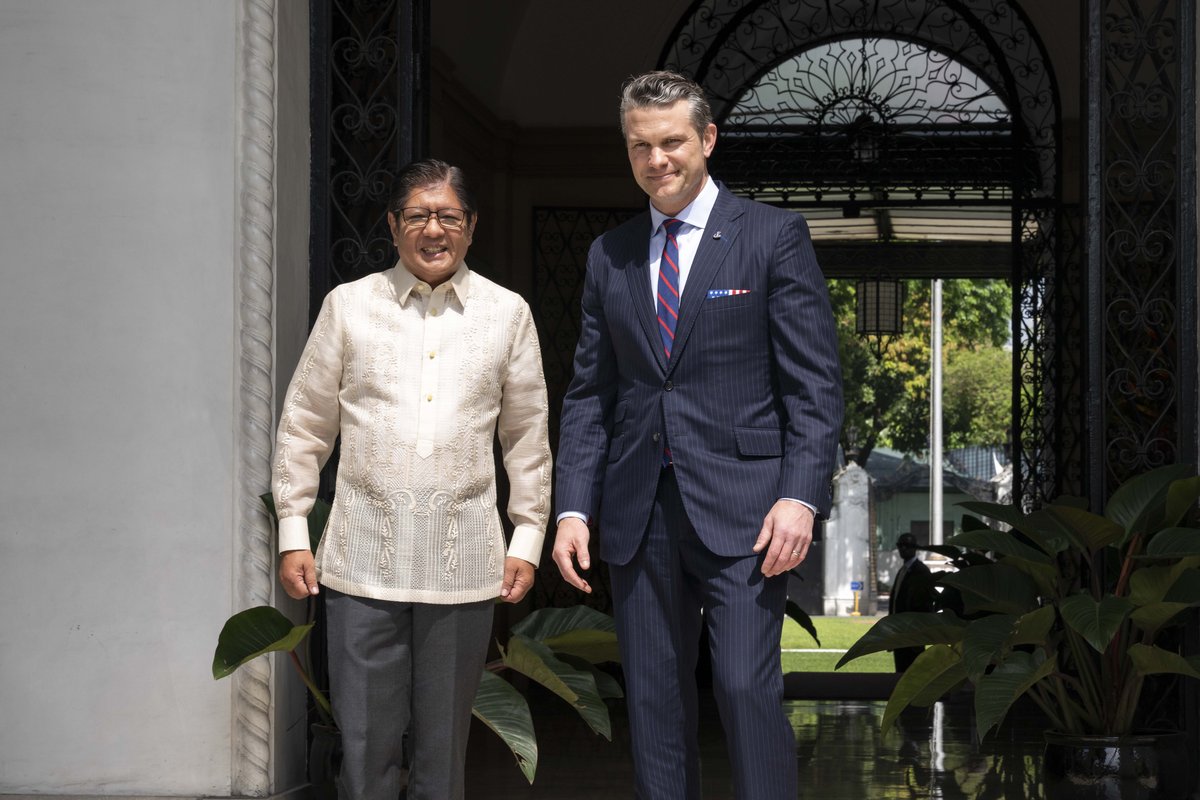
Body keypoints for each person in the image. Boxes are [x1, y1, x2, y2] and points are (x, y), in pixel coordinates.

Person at [552, 71, 843, 800]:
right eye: (641, 146)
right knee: (653, 701)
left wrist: (800, 498)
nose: (658, 160)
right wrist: (572, 508)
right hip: (636, 510)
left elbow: (813, 387)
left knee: (745, 688)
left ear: (707, 139)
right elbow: (591, 394)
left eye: (672, 142)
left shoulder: (772, 237)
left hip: (749, 511)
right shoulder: (609, 255)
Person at [272, 158, 551, 800]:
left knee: (442, 755)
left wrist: (526, 539)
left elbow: (527, 439)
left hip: (462, 566)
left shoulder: (507, 315)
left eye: (448, 216)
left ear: (471, 226)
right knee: (365, 748)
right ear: (393, 225)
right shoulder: (348, 307)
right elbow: (305, 425)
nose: (434, 229)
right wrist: (294, 530)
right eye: (419, 215)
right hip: (362, 559)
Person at [888, 532, 936, 672]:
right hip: (899, 632)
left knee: (912, 672)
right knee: (901, 671)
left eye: (907, 545)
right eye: (900, 545)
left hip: (912, 633)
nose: (903, 549)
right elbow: (896, 601)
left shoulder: (921, 571)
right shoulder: (903, 570)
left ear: (915, 548)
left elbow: (925, 604)